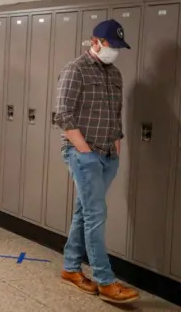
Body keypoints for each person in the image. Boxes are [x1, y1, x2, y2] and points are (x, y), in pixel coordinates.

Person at [55, 20, 138, 304]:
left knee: (84, 212)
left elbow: (116, 113)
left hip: (108, 155)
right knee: (96, 214)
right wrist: (86, 151)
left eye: (118, 47)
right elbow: (63, 115)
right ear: (96, 42)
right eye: (111, 46)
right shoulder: (75, 70)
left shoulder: (114, 73)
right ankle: (105, 280)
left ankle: (70, 268)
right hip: (83, 154)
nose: (114, 51)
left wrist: (116, 146)